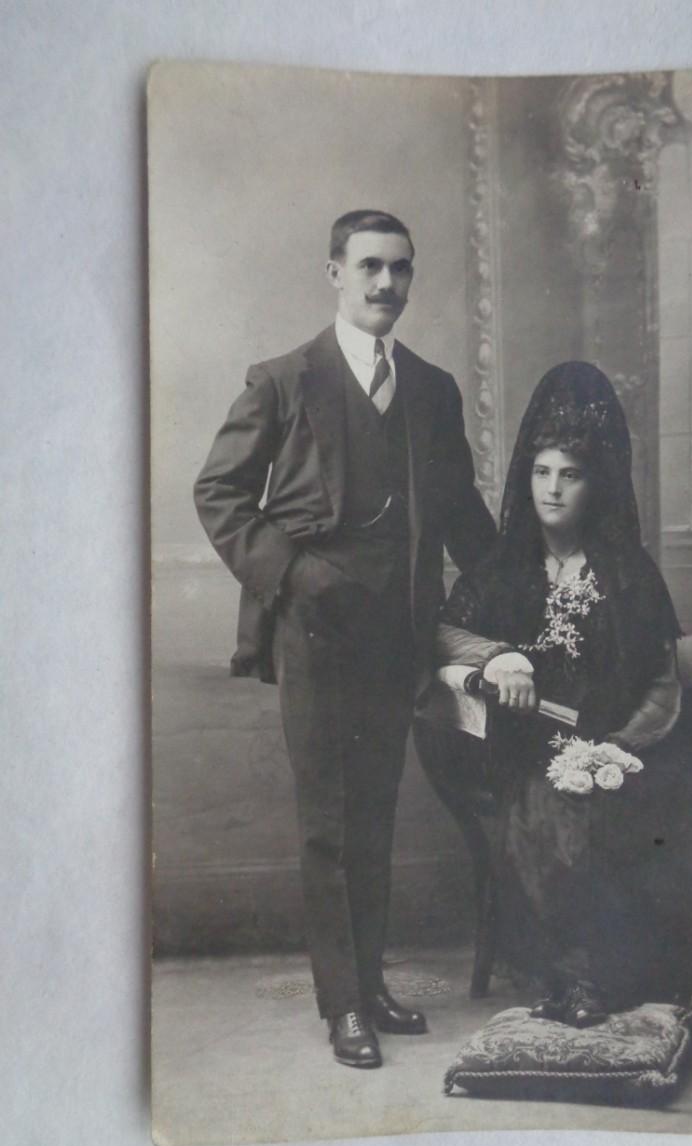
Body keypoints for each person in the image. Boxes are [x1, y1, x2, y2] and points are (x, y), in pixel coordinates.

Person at [194, 210, 496, 1068]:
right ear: (334, 272)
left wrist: (525, 591)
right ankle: (342, 1010)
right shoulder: (284, 381)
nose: (384, 286)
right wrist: (295, 574)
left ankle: (371, 986)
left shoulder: (432, 389)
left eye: (400, 270)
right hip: (316, 634)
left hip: (397, 637)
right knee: (328, 824)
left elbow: (463, 517)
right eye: (368, 267)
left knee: (374, 817)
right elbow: (218, 494)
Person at [436, 361, 692, 1033]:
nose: (553, 489)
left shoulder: (627, 570)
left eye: (570, 475)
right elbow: (446, 633)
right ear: (526, 478)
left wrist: (620, 750)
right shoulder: (503, 571)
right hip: (539, 748)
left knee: (687, 808)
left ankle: (676, 982)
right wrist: (497, 655)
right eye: (542, 472)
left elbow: (660, 682)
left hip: (634, 741)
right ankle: (587, 981)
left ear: (593, 484)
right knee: (556, 814)